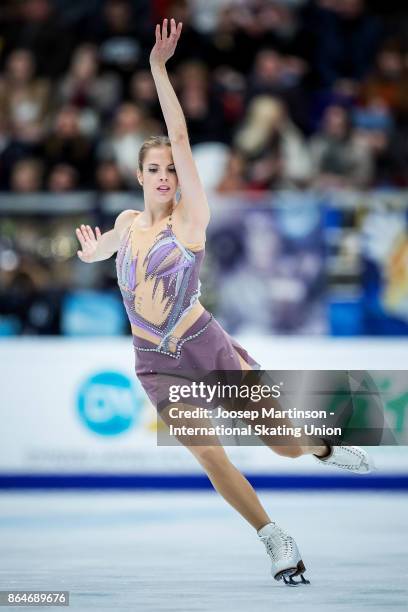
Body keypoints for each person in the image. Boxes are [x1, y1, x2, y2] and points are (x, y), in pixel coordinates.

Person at [75, 18, 373, 587]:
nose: (165, 176)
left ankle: (320, 446)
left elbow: (181, 139)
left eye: (170, 169)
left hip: (203, 346)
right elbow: (107, 250)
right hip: (154, 363)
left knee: (281, 444)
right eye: (154, 169)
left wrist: (158, 70)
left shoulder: (191, 221)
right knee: (210, 454)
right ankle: (275, 540)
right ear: (138, 175)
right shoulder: (127, 221)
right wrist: (92, 256)